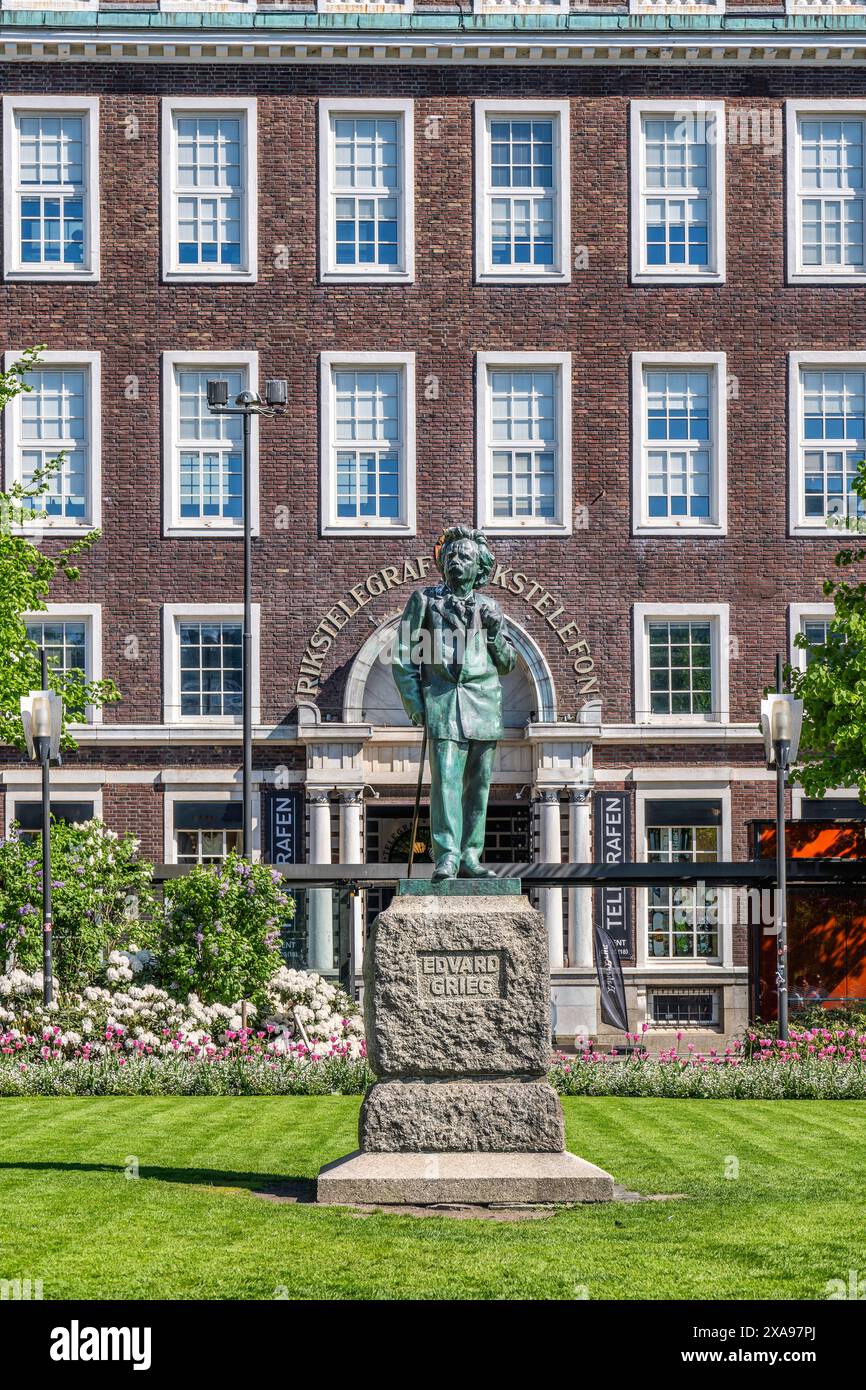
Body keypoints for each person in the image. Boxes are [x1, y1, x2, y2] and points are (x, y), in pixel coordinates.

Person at [392, 524, 517, 881]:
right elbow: (403, 656)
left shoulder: (491, 607)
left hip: (483, 703)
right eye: (450, 556)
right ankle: (447, 855)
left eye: (464, 556)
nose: (455, 561)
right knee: (445, 781)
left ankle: (470, 856)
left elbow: (506, 664)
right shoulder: (425, 601)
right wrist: (416, 704)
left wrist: (494, 632)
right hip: (443, 702)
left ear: (480, 568)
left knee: (478, 786)